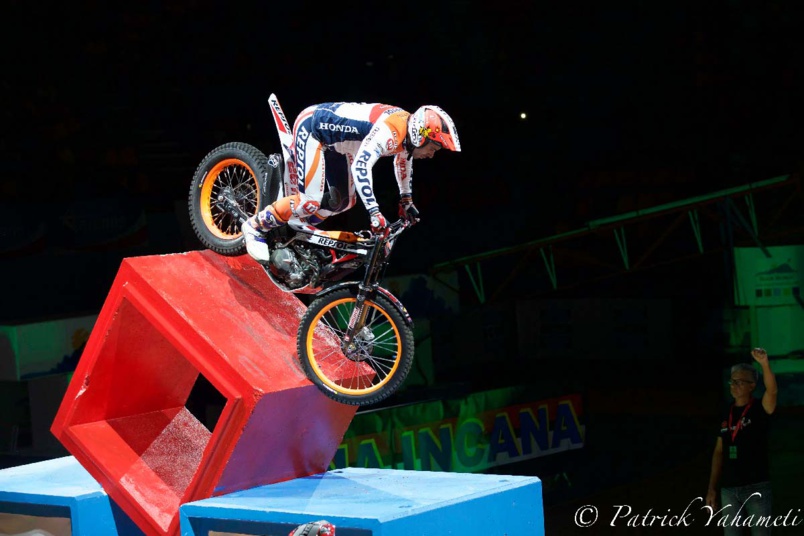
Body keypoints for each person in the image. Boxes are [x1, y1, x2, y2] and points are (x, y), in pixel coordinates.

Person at [241, 101, 461, 263]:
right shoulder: (391, 131)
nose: (432, 155)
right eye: (433, 148)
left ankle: (295, 229)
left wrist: (406, 199)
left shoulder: (407, 136)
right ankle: (255, 227)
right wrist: (375, 213)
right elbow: (361, 167)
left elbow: (403, 163)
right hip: (313, 129)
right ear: (421, 136)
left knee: (343, 202)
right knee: (309, 202)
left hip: (339, 145)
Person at [705, 347, 778, 534]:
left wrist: (764, 364)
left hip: (757, 487)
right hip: (729, 490)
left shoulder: (760, 409)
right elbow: (719, 451)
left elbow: (772, 391)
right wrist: (712, 488)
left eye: (739, 382)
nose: (733, 385)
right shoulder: (725, 412)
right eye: (732, 381)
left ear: (752, 385)